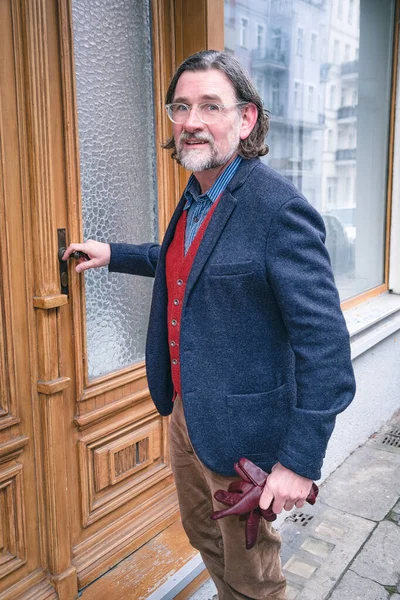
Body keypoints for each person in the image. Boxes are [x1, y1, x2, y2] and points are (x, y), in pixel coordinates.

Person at [63, 50, 356, 600]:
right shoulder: (200, 194)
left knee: (253, 575)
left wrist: (298, 461)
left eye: (209, 106)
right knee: (203, 536)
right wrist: (114, 252)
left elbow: (327, 349)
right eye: (181, 106)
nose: (191, 120)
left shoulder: (278, 211)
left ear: (245, 120)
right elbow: (188, 265)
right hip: (186, 416)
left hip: (245, 437)